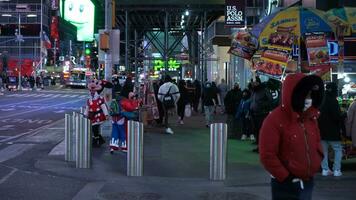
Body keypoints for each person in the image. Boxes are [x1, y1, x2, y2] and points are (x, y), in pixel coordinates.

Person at [259, 73, 324, 200]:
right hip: (285, 185)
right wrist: (285, 177)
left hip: (307, 181)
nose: (308, 99)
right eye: (305, 95)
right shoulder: (274, 119)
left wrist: (317, 160)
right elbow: (267, 154)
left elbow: (316, 141)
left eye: (311, 95)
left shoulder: (311, 117)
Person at [318, 82, 344, 177]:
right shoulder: (334, 101)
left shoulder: (321, 100)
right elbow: (337, 116)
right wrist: (343, 116)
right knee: (337, 150)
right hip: (333, 132)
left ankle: (325, 169)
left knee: (323, 151)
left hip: (321, 131)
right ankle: (337, 170)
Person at [250, 77, 273, 153]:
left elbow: (270, 101)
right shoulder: (254, 91)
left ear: (258, 83)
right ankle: (259, 146)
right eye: (252, 83)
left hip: (262, 114)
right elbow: (252, 102)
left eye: (255, 82)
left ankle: (263, 147)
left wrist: (261, 105)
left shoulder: (264, 90)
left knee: (261, 131)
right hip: (254, 114)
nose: (253, 84)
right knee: (256, 130)